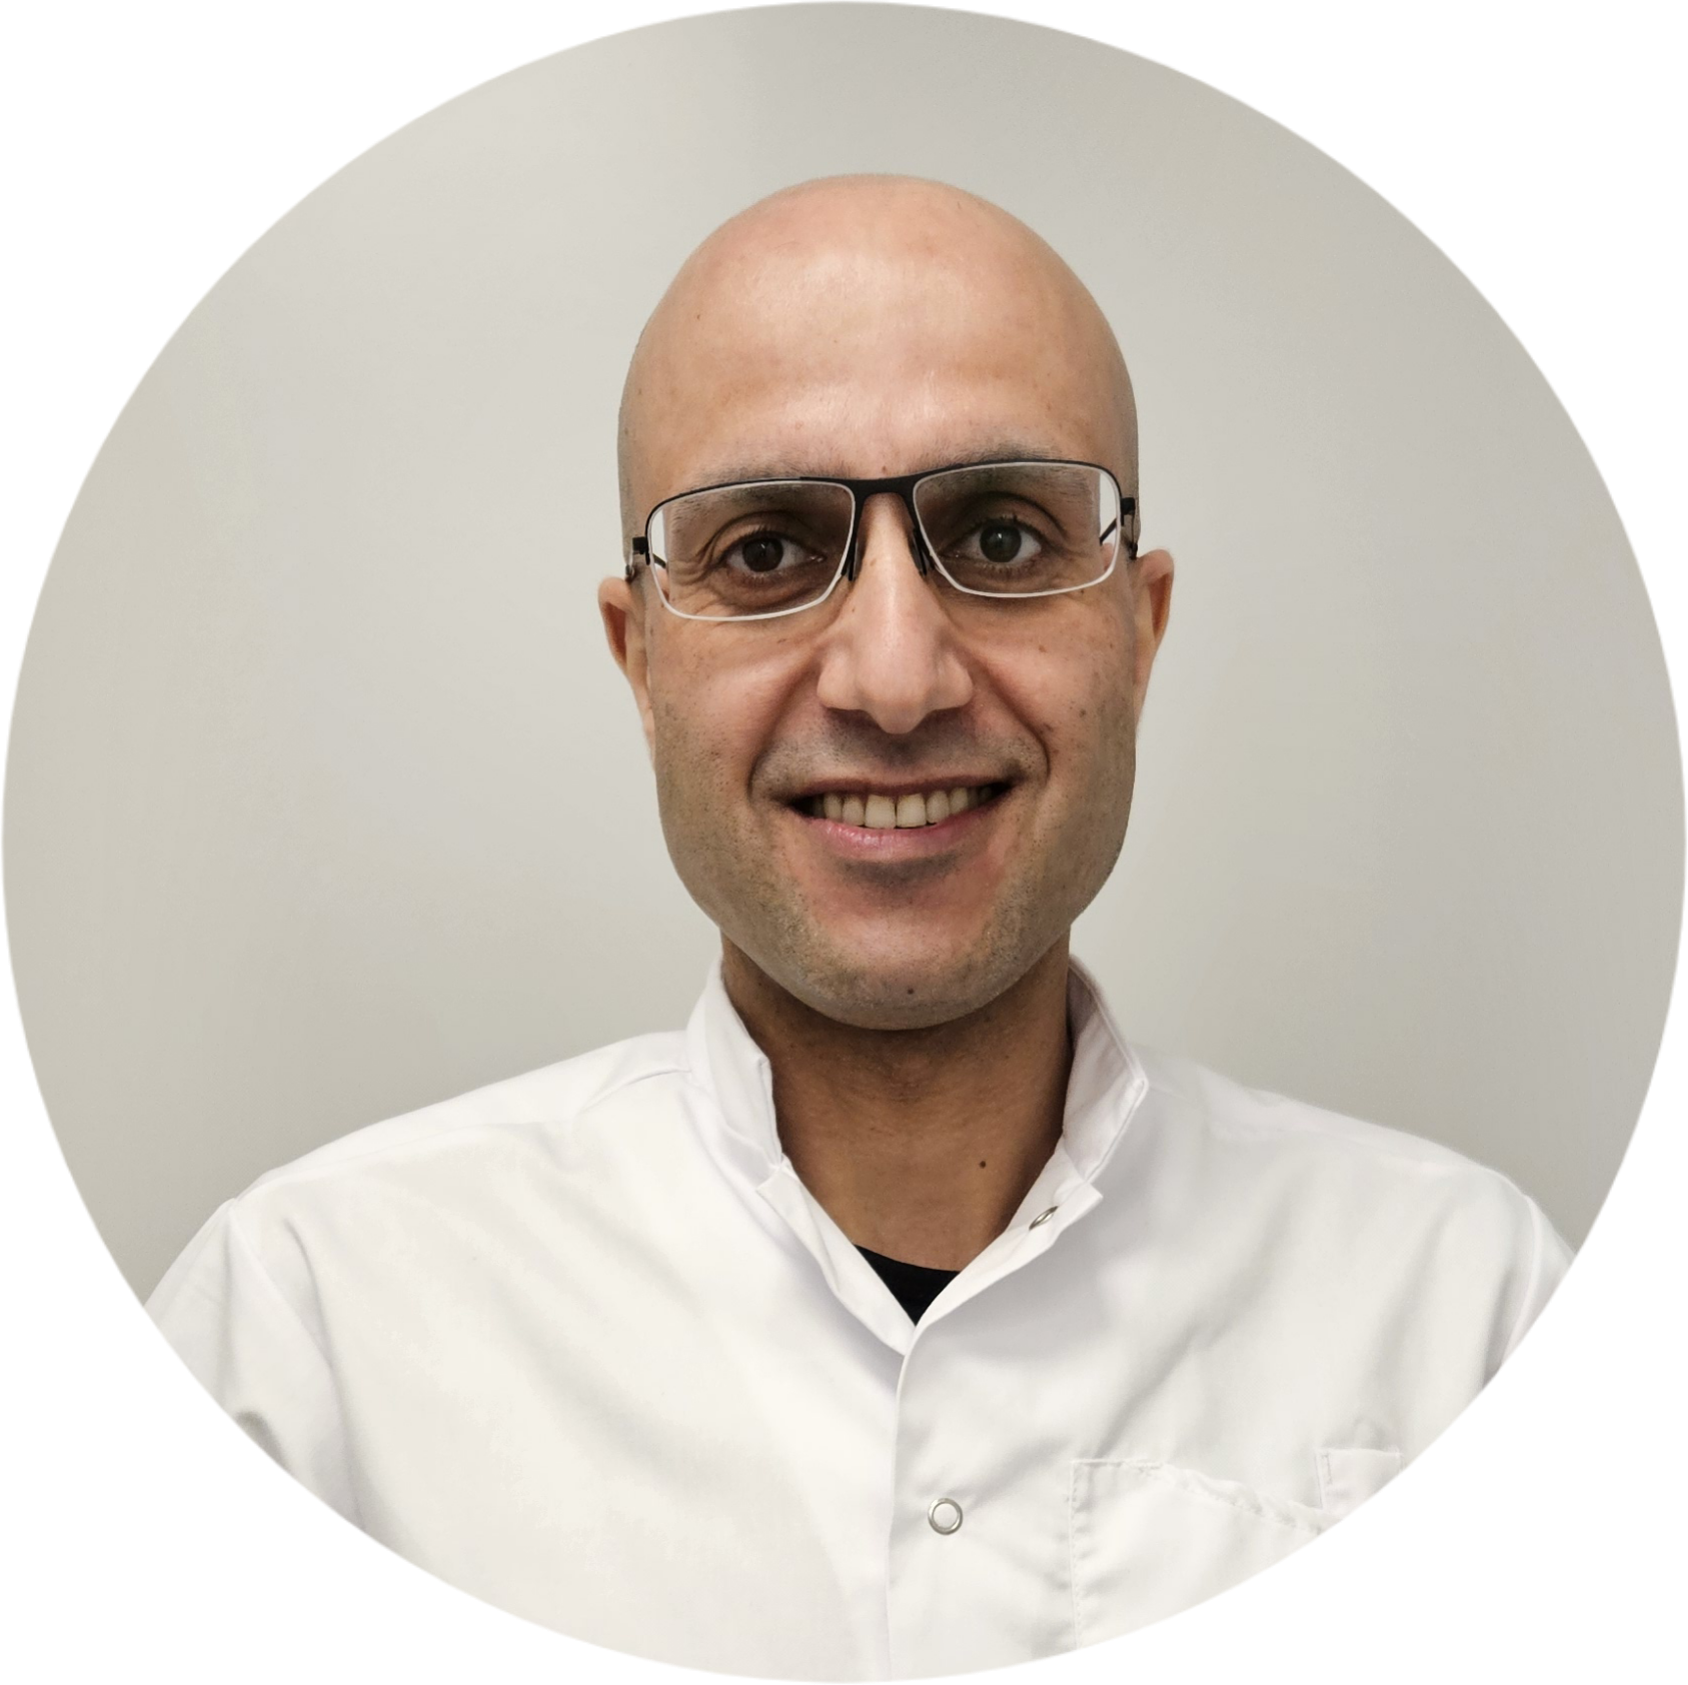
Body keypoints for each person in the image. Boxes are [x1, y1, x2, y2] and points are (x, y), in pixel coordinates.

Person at [144, 175, 1573, 1677]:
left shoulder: (1462, 1319)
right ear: (641, 664)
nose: (895, 681)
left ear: (1140, 633)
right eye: (764, 552)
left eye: (1003, 539)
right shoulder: (307, 1349)